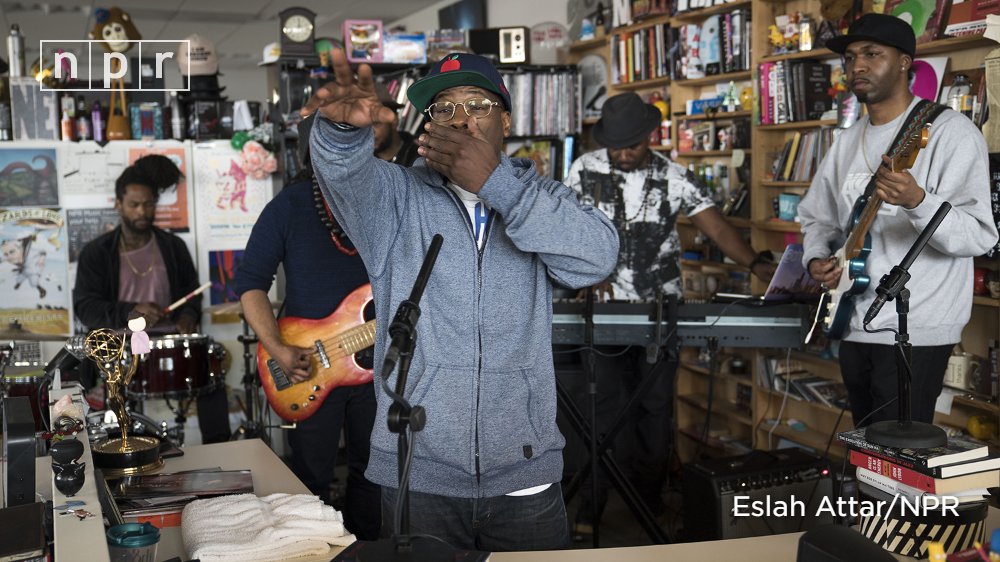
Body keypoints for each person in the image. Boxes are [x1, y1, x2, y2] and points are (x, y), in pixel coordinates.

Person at [301, 49, 619, 552]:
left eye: (477, 104)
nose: (460, 119)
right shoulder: (396, 198)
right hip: (417, 473)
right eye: (443, 108)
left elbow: (598, 258)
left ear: (506, 119)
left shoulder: (543, 198)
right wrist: (342, 134)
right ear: (427, 125)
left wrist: (498, 185)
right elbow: (344, 175)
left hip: (525, 475)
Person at [563, 91, 775, 532]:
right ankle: (590, 509)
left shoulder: (673, 175)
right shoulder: (584, 169)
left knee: (655, 412)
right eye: (617, 146)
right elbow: (567, 229)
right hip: (602, 311)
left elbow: (714, 224)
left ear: (650, 138)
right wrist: (587, 273)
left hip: (661, 310)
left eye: (633, 146)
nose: (623, 154)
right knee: (600, 410)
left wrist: (755, 263)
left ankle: (648, 504)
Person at [233, 86, 417, 541]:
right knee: (309, 481)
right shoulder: (288, 208)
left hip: (377, 366)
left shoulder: (386, 201)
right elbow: (249, 284)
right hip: (306, 364)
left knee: (372, 478)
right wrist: (275, 346)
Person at [798, 14, 997, 426]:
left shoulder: (949, 133)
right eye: (851, 57)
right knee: (865, 452)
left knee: (898, 465)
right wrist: (817, 256)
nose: (858, 66)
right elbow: (816, 216)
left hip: (915, 330)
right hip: (851, 319)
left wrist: (918, 201)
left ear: (906, 63)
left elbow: (978, 236)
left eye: (873, 54)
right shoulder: (847, 140)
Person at [73, 154, 232, 444]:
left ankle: (220, 454)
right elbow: (85, 307)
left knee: (211, 371)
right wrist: (129, 312)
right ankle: (122, 450)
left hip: (167, 342)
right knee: (112, 400)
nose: (142, 211)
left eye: (149, 204)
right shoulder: (97, 253)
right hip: (119, 346)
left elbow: (191, 295)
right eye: (134, 205)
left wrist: (187, 317)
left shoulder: (173, 247)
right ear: (118, 204)